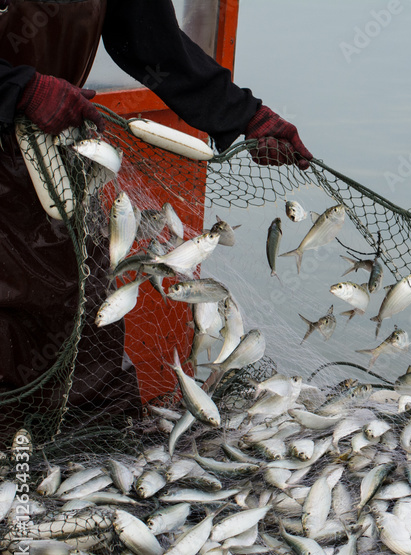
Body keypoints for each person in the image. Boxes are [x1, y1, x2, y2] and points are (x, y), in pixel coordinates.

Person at [0, 1, 312, 434]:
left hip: (50, 161)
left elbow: (151, 42)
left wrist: (244, 114)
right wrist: (19, 87)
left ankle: (79, 451)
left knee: (82, 312)